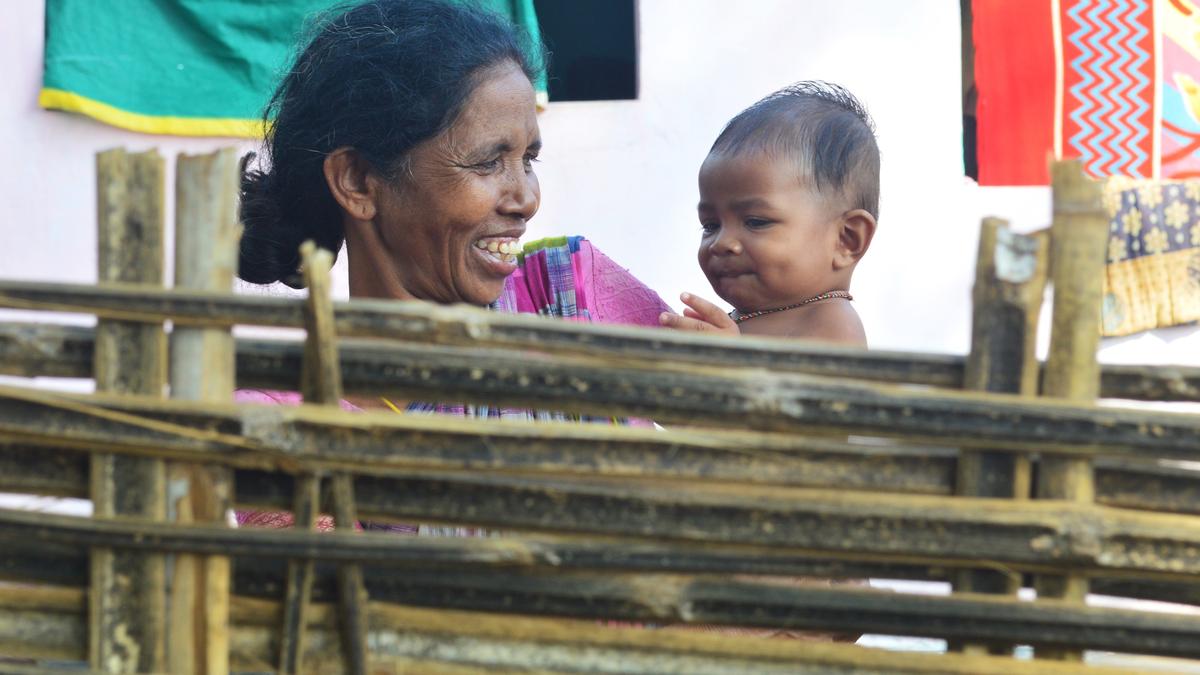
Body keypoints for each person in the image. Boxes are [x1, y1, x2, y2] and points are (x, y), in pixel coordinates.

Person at [234, 0, 669, 528]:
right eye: (488, 162)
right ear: (358, 181)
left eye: (527, 160)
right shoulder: (284, 419)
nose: (526, 198)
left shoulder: (568, 289)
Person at [658, 81, 879, 347]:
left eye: (755, 222)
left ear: (846, 239)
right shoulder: (746, 319)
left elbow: (809, 389)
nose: (722, 242)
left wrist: (729, 362)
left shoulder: (833, 323)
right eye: (710, 225)